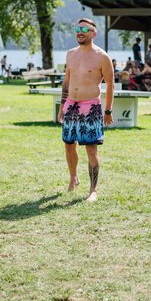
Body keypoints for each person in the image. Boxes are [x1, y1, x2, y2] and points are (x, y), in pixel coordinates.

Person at [58, 17, 114, 202]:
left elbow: (111, 85)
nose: (79, 32)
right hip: (71, 105)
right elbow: (67, 81)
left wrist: (108, 111)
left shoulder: (102, 56)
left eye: (84, 29)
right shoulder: (70, 54)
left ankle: (93, 190)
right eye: (77, 29)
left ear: (93, 33)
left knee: (91, 149)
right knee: (68, 144)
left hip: (90, 108)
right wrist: (62, 106)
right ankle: (73, 176)